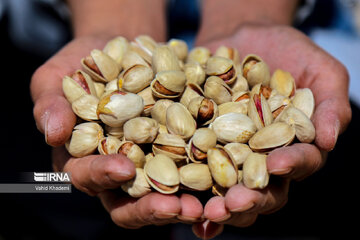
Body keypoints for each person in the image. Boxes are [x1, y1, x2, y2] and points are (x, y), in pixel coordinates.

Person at [30, 0, 352, 239]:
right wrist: (113, 19)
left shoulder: (213, 95)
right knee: (47, 203)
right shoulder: (152, 97)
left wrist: (251, 15)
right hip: (57, 26)